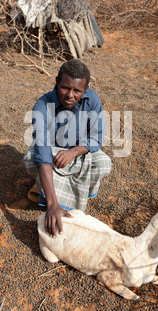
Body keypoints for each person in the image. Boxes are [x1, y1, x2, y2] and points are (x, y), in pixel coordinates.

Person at [24, 59, 112, 238]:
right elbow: (42, 151)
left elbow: (96, 137)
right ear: (57, 81)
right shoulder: (42, 106)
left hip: (78, 151)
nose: (70, 95)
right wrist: (52, 205)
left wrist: (73, 152)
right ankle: (52, 197)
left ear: (85, 90)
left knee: (104, 163)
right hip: (52, 152)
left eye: (77, 90)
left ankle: (56, 189)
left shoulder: (92, 100)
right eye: (65, 88)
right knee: (30, 161)